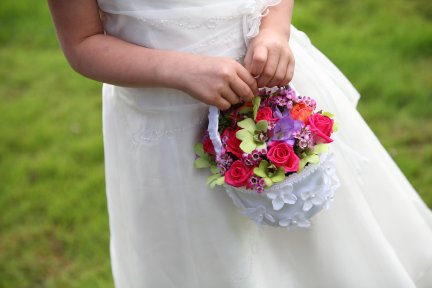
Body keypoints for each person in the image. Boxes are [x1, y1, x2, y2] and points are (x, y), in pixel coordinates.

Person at [48, 0, 432, 287]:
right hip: (166, 123)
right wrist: (178, 69)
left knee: (326, 245)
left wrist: (274, 32)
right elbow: (82, 42)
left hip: (275, 93)